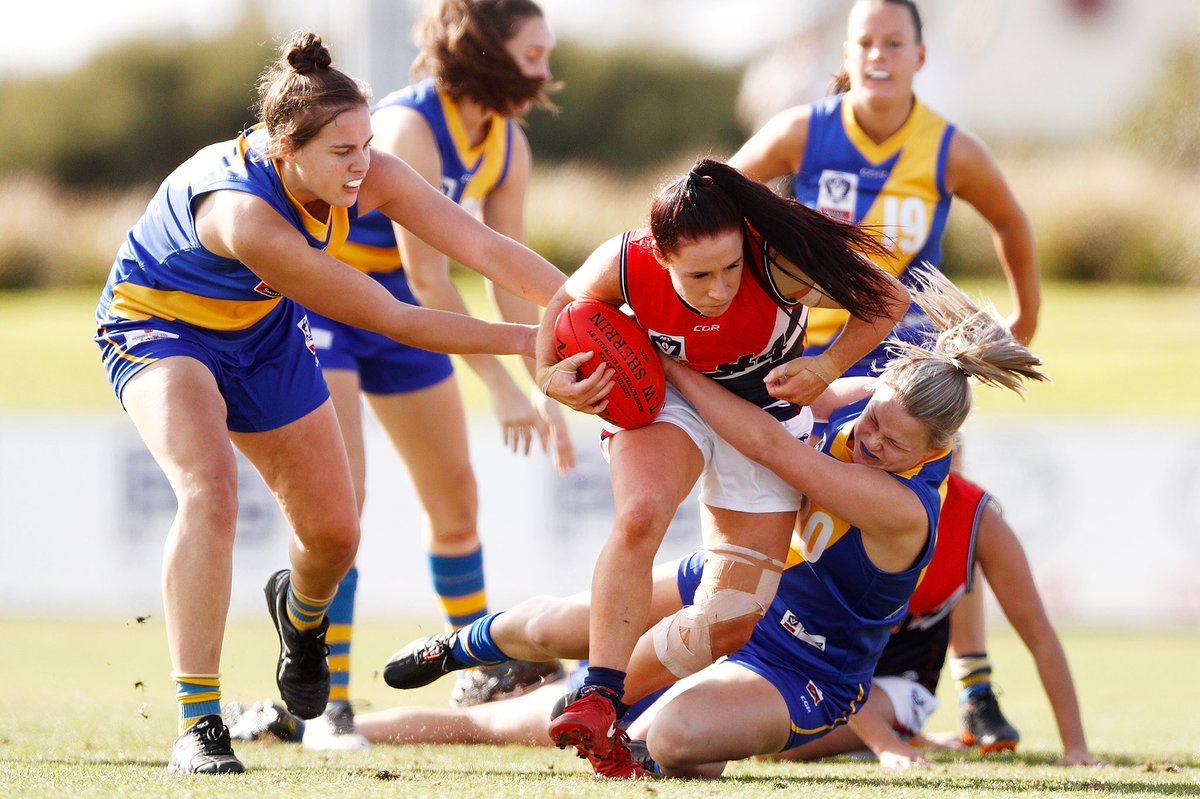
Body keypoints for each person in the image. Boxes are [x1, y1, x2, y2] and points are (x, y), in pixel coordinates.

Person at [92, 31, 565, 775]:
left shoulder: (364, 170)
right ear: (285, 146)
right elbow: (396, 317)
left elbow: (486, 249)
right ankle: (199, 722)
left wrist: (588, 307)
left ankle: (303, 618)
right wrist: (532, 343)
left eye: (366, 146)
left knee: (335, 536)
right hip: (159, 325)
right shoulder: (245, 215)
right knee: (208, 489)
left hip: (261, 331)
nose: (362, 166)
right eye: (343, 152)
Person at [384, 268, 1046, 777]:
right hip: (733, 582)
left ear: (935, 455)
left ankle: (669, 736)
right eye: (875, 419)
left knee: (669, 735)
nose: (871, 439)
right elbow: (781, 397)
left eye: (894, 444)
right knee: (559, 624)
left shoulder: (906, 509)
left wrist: (670, 362)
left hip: (800, 667)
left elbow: (770, 447)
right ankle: (457, 646)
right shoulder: (859, 402)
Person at [525, 156, 910, 770]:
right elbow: (565, 302)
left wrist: (828, 366)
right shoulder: (627, 262)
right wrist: (549, 377)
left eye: (731, 267)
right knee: (642, 513)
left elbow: (887, 297)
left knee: (729, 622)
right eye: (700, 275)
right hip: (668, 394)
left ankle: (598, 690)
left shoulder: (779, 263)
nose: (722, 287)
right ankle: (598, 693)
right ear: (660, 254)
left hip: (765, 420)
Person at [729, 0, 1042, 743]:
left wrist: (1022, 325)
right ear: (846, 50)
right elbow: (709, 204)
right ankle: (741, 649)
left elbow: (1012, 221)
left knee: (948, 521)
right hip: (808, 366)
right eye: (865, 41)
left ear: (920, 57)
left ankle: (976, 685)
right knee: (776, 504)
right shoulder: (804, 129)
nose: (879, 55)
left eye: (893, 42)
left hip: (911, 376)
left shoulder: (949, 148)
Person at [299, 0, 568, 751]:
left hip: (401, 323)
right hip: (329, 308)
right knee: (341, 508)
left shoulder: (506, 141)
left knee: (455, 499)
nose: (547, 70)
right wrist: (503, 387)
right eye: (533, 53)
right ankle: (327, 703)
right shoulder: (412, 126)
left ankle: (475, 666)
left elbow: (505, 275)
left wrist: (545, 383)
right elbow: (430, 281)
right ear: (486, 50)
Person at [771, 473, 1104, 768]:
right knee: (768, 732)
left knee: (785, 744)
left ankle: (972, 693)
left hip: (897, 679)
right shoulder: (850, 484)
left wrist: (1076, 748)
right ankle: (908, 727)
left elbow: (1038, 633)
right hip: (819, 662)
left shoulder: (976, 517)